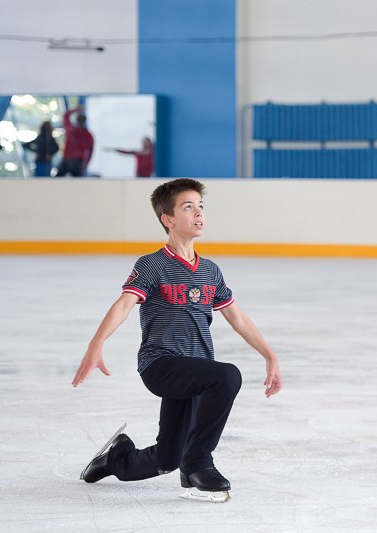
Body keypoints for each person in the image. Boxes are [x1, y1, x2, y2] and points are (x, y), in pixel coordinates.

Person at [72, 178, 282, 502]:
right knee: (227, 376)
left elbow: (236, 316)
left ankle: (116, 458)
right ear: (167, 220)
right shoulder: (152, 264)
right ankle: (198, 462)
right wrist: (96, 343)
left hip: (195, 370)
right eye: (188, 207)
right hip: (160, 364)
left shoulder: (210, 271)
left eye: (201, 206)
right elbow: (124, 304)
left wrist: (269, 355)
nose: (198, 213)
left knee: (167, 458)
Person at [56, 106, 94, 177]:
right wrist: (85, 164)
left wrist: (76, 109)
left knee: (57, 180)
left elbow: (65, 116)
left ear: (76, 120)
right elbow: (90, 151)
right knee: (77, 183)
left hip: (67, 159)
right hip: (78, 161)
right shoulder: (88, 135)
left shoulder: (71, 130)